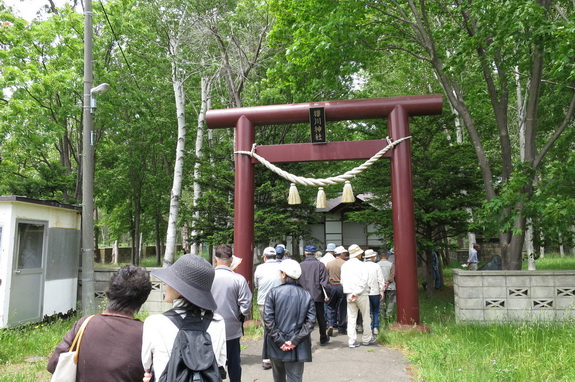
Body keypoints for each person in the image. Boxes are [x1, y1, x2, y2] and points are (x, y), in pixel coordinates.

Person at [48, 265, 152, 382]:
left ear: (109, 292)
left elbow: (54, 364)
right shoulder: (146, 333)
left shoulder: (85, 324)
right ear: (142, 300)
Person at [141, 254, 226, 380]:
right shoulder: (218, 321)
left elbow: (146, 364)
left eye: (169, 280)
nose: (164, 283)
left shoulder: (154, 323)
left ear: (181, 289)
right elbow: (220, 363)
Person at [263, 259, 316, 382]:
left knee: (278, 378)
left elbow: (268, 320)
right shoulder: (306, 295)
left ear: (284, 274)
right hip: (298, 344)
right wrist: (294, 341)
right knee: (295, 378)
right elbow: (310, 322)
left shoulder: (273, 293)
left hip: (276, 343)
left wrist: (280, 340)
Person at [211, 244, 253, 382]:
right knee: (234, 364)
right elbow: (246, 305)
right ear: (231, 260)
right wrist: (239, 315)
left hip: (209, 328)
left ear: (215, 259)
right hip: (232, 328)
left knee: (210, 363)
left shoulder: (207, 277)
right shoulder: (238, 279)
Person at [341, 244, 375, 348]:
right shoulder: (362, 265)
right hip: (361, 294)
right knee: (366, 316)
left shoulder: (344, 265)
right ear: (358, 254)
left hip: (349, 294)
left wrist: (351, 293)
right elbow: (364, 281)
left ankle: (352, 341)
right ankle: (366, 338)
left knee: (351, 318)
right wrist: (356, 292)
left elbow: (342, 281)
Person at [254, 246, 282, 370]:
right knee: (280, 327)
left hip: (264, 302)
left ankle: (267, 359)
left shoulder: (259, 268)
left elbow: (256, 284)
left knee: (267, 329)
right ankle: (280, 355)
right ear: (275, 257)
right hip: (280, 302)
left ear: (265, 257)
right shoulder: (281, 267)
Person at [299, 244, 330, 346]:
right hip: (317, 295)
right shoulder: (320, 265)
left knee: (304, 318)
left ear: (305, 253)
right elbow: (324, 282)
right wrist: (327, 295)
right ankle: (323, 338)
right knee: (320, 317)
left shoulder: (300, 265)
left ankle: (305, 339)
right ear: (315, 253)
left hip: (303, 296)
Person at [325, 245, 348, 336]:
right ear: (341, 254)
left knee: (330, 306)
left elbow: (326, 275)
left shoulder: (329, 263)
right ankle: (342, 328)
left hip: (332, 286)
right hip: (342, 286)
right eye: (344, 253)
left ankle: (330, 323)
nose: (345, 255)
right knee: (342, 307)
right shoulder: (345, 263)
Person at [364, 249, 385, 335]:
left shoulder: (362, 266)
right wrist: (382, 291)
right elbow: (381, 279)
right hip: (375, 291)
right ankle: (375, 327)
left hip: (364, 292)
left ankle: (367, 327)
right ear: (372, 257)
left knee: (367, 312)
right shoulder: (376, 266)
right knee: (376, 311)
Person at [378, 248, 396, 322]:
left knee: (381, 302)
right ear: (387, 255)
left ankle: (382, 317)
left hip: (380, 287)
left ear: (380, 256)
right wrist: (388, 281)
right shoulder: (391, 264)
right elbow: (392, 275)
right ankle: (389, 316)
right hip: (390, 286)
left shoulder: (377, 265)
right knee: (391, 301)